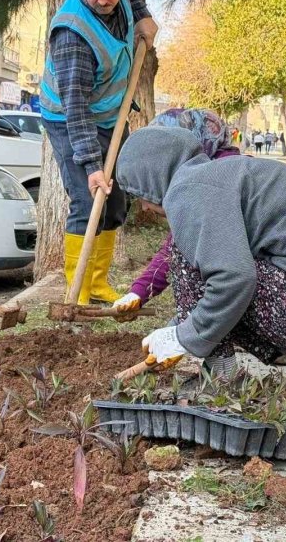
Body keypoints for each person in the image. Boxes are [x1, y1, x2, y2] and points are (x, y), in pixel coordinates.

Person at [116, 127, 286, 393]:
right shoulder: (218, 176)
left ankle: (221, 377)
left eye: (140, 195)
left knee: (188, 260)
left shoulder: (189, 191)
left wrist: (184, 336)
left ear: (152, 177)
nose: (144, 206)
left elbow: (233, 280)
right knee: (221, 272)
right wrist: (181, 327)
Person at [39, 0, 158, 304]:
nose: (104, 0)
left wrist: (143, 16)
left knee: (116, 199)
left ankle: (99, 281)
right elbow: (76, 107)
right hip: (68, 117)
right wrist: (92, 164)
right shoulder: (72, 33)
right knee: (88, 196)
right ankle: (78, 291)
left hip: (109, 112)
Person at [113, 110, 241, 378]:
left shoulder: (210, 181)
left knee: (196, 272)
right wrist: (139, 292)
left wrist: (183, 335)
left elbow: (181, 252)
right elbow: (178, 244)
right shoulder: (224, 170)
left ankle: (223, 374)